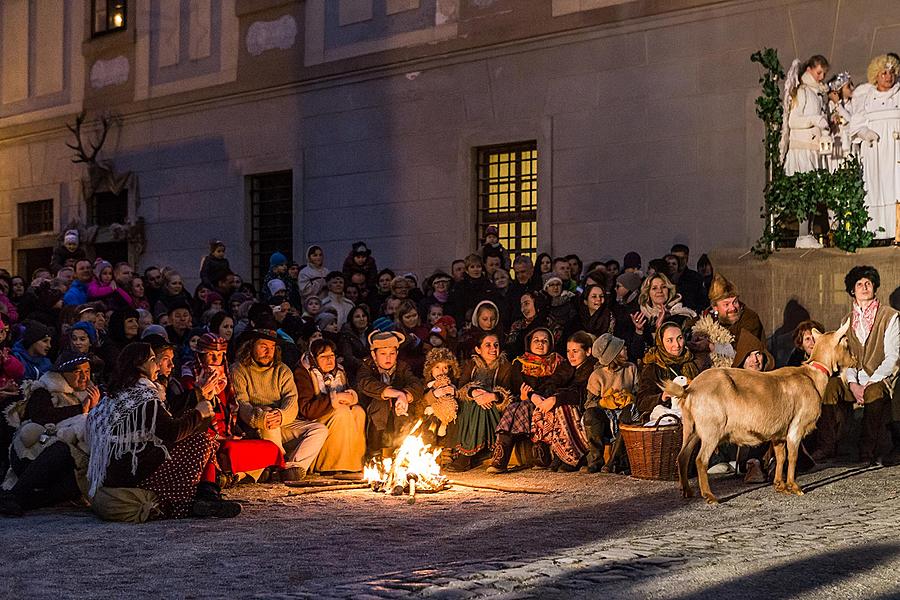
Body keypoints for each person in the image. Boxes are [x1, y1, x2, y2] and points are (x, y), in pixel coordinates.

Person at [87, 343, 241, 519]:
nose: (158, 365)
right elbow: (171, 432)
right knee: (202, 441)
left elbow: (166, 418)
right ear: (139, 365)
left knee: (197, 435)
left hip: (115, 470)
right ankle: (192, 502)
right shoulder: (142, 396)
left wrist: (197, 399)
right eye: (153, 360)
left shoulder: (120, 393)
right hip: (131, 472)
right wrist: (199, 413)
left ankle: (206, 495)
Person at [180, 333, 284, 484]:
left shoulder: (225, 378)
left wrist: (235, 432)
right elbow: (192, 419)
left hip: (228, 435)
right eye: (211, 355)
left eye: (220, 355)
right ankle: (234, 475)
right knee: (230, 451)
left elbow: (231, 409)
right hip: (205, 441)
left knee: (270, 448)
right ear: (201, 356)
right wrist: (201, 393)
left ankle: (235, 476)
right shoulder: (189, 378)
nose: (217, 360)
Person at [822, 266, 898, 465]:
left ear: (874, 288)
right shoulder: (846, 321)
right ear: (852, 291)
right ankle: (827, 446)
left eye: (868, 283)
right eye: (859, 284)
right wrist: (854, 384)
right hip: (854, 379)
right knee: (830, 388)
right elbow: (848, 358)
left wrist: (869, 383)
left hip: (881, 378)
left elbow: (893, 357)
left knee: (873, 392)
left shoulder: (889, 316)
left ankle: (866, 452)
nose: (864, 287)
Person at [231, 329, 328, 481]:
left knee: (319, 430)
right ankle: (276, 464)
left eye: (272, 347)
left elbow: (291, 399)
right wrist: (261, 417)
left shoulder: (282, 370)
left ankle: (292, 467)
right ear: (251, 346)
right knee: (268, 413)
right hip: (254, 425)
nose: (268, 351)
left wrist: (282, 415)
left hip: (280, 422)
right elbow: (240, 402)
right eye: (263, 346)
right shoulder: (239, 369)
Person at [489, 327, 562, 473]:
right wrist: (526, 396)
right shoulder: (520, 363)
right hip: (524, 400)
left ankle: (537, 452)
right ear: (529, 343)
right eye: (536, 340)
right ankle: (501, 454)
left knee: (524, 406)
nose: (540, 344)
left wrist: (534, 396)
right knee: (517, 406)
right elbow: (518, 385)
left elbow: (556, 383)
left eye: (544, 341)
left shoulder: (557, 362)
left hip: (547, 400)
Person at [294, 339, 366, 475]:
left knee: (358, 412)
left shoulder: (339, 372)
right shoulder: (303, 373)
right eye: (323, 357)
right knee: (342, 412)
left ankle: (354, 463)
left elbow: (349, 391)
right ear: (314, 359)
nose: (329, 360)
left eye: (331, 355)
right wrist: (334, 399)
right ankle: (330, 465)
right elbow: (306, 409)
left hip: (333, 412)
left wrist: (350, 397)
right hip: (314, 417)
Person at [849, 54, 900, 242]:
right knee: (877, 187)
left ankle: (897, 230)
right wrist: (865, 133)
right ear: (876, 76)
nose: (888, 77)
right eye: (884, 73)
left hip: (896, 151)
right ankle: (876, 233)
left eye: (891, 72)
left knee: (896, 186)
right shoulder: (867, 96)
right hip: (876, 151)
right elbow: (855, 124)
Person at [530, 331, 597, 472]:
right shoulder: (567, 367)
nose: (571, 355)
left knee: (562, 407)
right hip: (565, 401)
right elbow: (551, 383)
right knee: (548, 405)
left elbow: (579, 393)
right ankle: (558, 454)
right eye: (568, 351)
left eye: (575, 351)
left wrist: (555, 399)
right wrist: (537, 396)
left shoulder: (591, 368)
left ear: (588, 351)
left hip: (583, 406)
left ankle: (574, 455)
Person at [448, 332, 513, 471]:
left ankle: (466, 455)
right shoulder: (471, 365)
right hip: (472, 407)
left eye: (496, 345)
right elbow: (462, 387)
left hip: (495, 409)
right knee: (475, 403)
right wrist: (474, 392)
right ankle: (471, 452)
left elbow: (510, 392)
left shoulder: (505, 366)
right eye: (487, 345)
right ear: (478, 349)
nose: (493, 348)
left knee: (482, 405)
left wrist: (493, 396)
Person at [356, 330, 424, 456]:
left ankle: (401, 449)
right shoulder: (366, 367)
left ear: (397, 353)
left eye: (392, 353)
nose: (388, 357)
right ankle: (375, 451)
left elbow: (416, 384)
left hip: (397, 416)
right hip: (372, 415)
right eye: (383, 353)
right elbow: (367, 384)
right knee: (381, 403)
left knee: (404, 407)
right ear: (374, 354)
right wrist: (396, 394)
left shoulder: (402, 367)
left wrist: (405, 396)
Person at [583, 334, 637, 473]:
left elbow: (638, 392)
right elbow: (590, 403)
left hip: (625, 411)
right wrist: (606, 402)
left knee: (627, 415)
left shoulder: (631, 369)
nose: (625, 350)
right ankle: (596, 458)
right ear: (613, 355)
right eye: (621, 349)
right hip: (606, 416)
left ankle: (615, 460)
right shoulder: (598, 375)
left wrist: (628, 398)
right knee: (591, 415)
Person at [636, 321, 701, 417]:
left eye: (679, 338)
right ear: (661, 342)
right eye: (670, 340)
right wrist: (662, 397)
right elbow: (641, 402)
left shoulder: (691, 362)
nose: (677, 345)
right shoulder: (653, 367)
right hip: (667, 422)